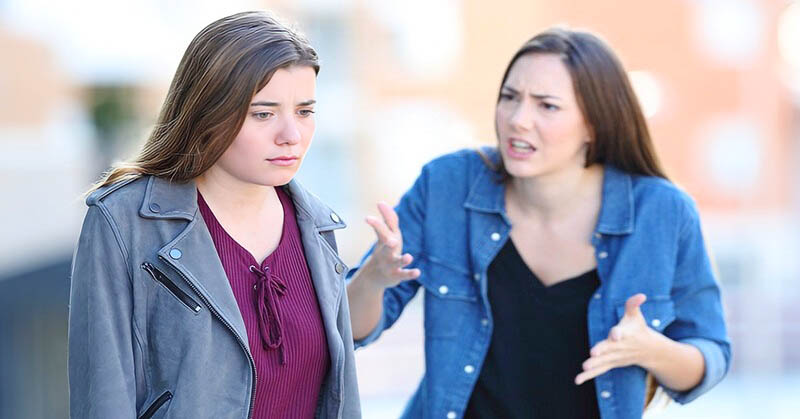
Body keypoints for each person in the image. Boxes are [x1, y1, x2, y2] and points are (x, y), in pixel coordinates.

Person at [346, 27, 730, 419]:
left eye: (546, 106)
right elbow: (351, 330)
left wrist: (653, 350)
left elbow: (711, 354)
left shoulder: (662, 212)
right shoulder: (447, 186)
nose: (518, 119)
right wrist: (374, 277)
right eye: (510, 98)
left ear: (595, 124)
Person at [68, 11, 360, 419]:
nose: (291, 135)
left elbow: (340, 398)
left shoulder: (317, 224)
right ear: (210, 112)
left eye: (305, 112)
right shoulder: (123, 222)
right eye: (263, 113)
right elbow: (102, 397)